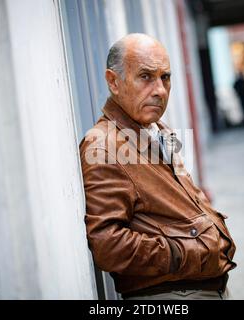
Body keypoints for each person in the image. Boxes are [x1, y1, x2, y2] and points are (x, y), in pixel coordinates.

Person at [79, 33, 236, 300]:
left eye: (165, 77)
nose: (160, 90)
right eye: (146, 77)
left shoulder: (155, 131)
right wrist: (189, 252)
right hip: (171, 294)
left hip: (202, 287)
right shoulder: (103, 145)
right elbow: (108, 244)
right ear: (113, 82)